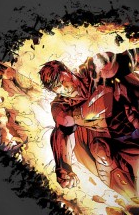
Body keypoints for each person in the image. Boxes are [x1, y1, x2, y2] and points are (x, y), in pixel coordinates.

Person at [39, 49, 139, 197]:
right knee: (100, 151)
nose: (64, 89)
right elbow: (62, 132)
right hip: (120, 143)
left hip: (134, 114)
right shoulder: (61, 106)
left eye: (63, 81)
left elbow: (132, 58)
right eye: (57, 88)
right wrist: (63, 167)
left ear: (66, 70)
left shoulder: (94, 68)